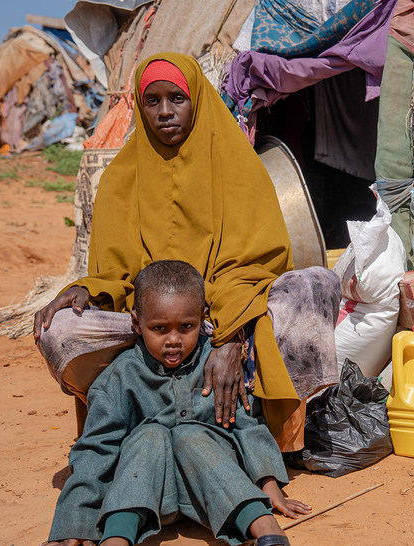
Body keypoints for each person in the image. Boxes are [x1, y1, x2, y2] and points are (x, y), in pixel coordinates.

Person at [33, 52, 340, 454]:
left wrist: (230, 339)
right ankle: (129, 419)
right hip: (151, 330)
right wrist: (89, 290)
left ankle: (263, 433)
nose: (164, 112)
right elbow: (117, 274)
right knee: (58, 327)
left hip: (226, 319)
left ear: (197, 100)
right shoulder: (120, 180)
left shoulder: (239, 167)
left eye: (177, 99)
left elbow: (255, 264)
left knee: (315, 284)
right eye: (152, 101)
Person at [45, 260, 299, 546]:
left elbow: (247, 424)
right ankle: (117, 538)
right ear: (136, 323)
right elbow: (96, 450)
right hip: (149, 494)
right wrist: (75, 520)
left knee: (189, 434)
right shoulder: (119, 377)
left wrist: (269, 483)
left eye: (186, 327)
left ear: (203, 318)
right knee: (147, 435)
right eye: (160, 328)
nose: (174, 340)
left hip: (215, 491)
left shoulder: (217, 366)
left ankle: (262, 523)